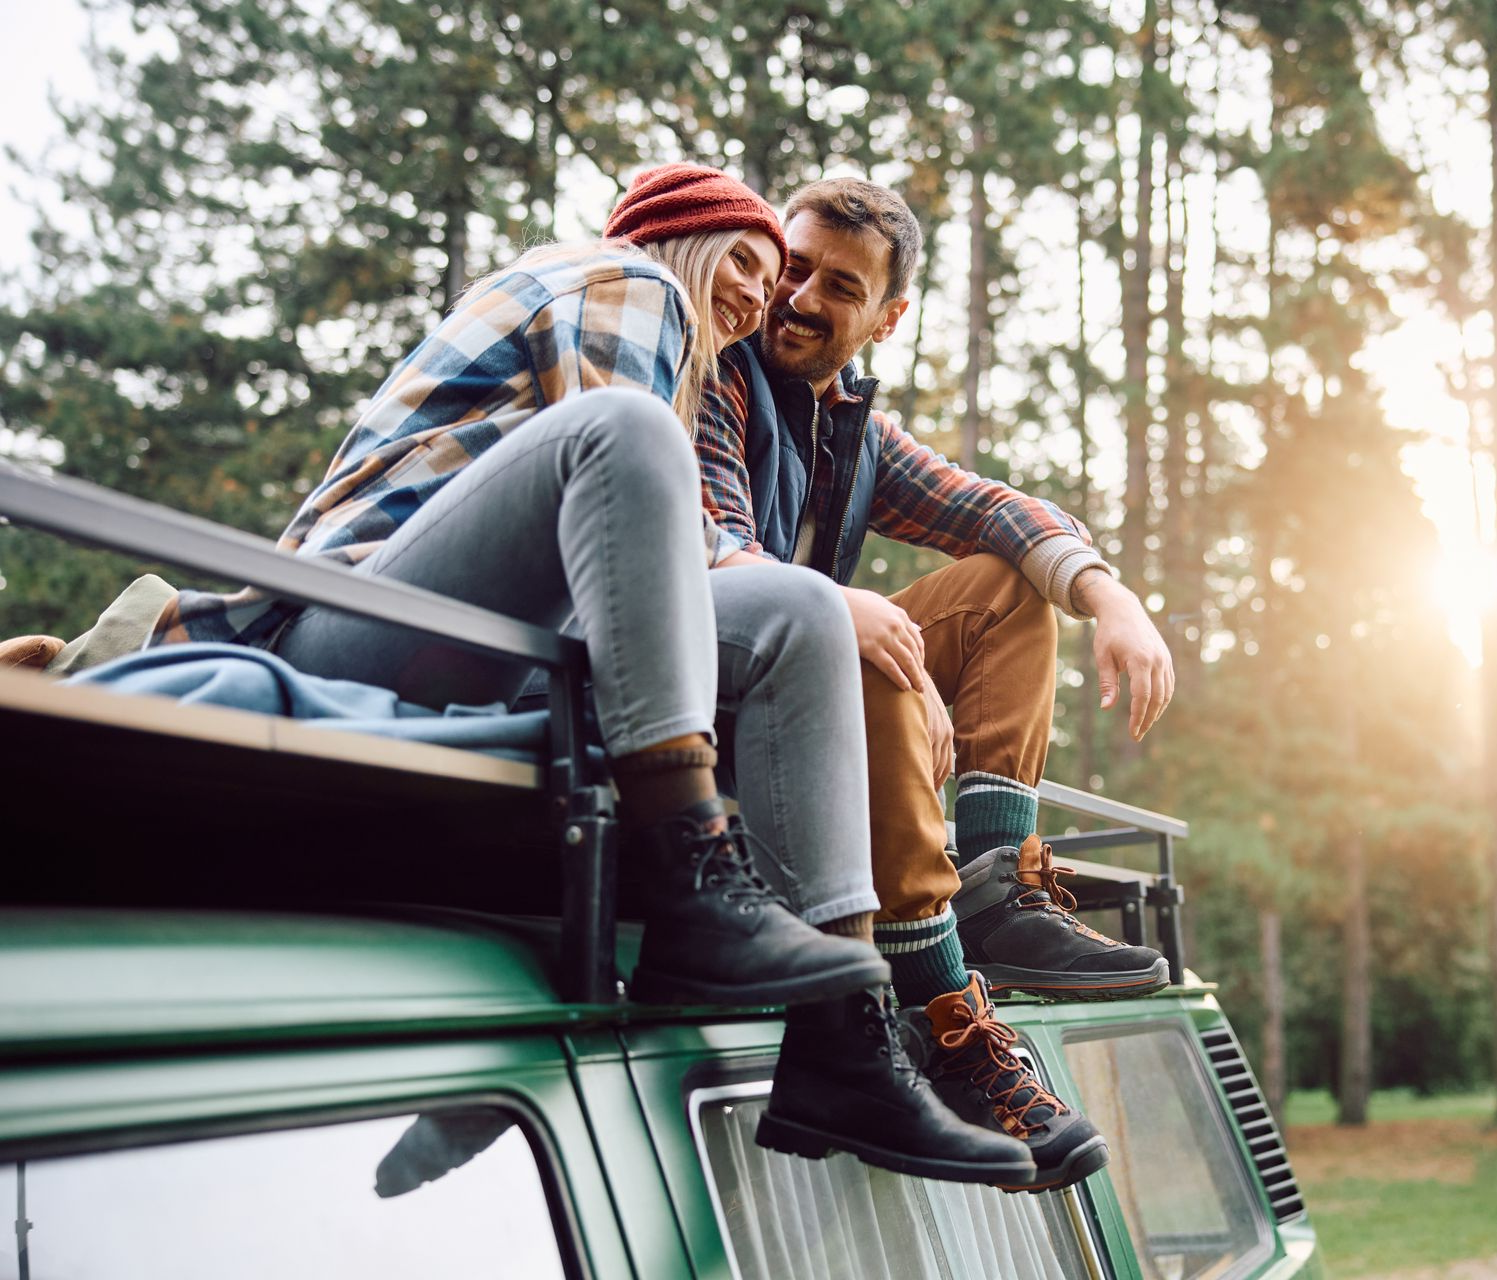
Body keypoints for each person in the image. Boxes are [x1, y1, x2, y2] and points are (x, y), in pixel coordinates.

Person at [154, 163, 1033, 1188]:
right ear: (681, 240)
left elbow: (657, 562)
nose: (761, 296)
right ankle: (690, 863)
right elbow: (628, 473)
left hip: (484, 635)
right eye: (749, 263)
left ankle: (845, 1038)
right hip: (352, 623)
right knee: (632, 433)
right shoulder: (623, 279)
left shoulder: (695, 357)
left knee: (798, 610)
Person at [696, 177, 1177, 1190]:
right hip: (715, 701)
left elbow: (992, 508)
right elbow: (715, 548)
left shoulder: (852, 432)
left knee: (1008, 590)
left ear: (886, 315)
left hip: (804, 679)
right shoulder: (719, 369)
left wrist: (1113, 597)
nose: (798, 295)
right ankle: (947, 1011)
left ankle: (995, 888)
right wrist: (864, 643)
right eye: (793, 264)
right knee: (858, 646)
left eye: (840, 284)